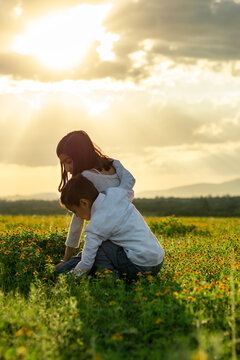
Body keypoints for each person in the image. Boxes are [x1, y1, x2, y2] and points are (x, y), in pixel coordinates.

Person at [59, 165, 165, 280]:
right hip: (158, 261)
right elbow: (129, 178)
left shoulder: (96, 226)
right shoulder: (117, 194)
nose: (78, 216)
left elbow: (86, 263)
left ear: (84, 203)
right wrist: (114, 163)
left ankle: (109, 280)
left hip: (140, 267)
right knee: (107, 244)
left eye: (75, 211)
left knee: (100, 249)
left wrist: (69, 279)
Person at [55, 130, 135, 273]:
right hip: (129, 240)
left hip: (108, 245)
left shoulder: (86, 178)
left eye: (69, 161)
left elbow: (77, 222)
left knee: (61, 272)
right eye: (63, 163)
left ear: (80, 155)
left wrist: (66, 259)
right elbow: (129, 185)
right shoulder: (114, 166)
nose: (67, 169)